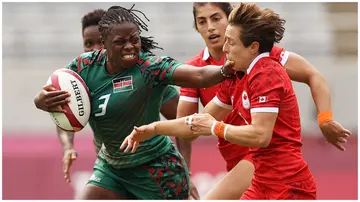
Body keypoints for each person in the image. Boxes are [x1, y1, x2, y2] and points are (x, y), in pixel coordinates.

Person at [120, 3, 350, 199]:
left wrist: (324, 119)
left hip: (280, 178)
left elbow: (260, 135)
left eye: (216, 18)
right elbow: (192, 125)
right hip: (258, 174)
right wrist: (152, 128)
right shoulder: (230, 74)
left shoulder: (267, 69)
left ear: (252, 46)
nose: (211, 28)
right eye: (202, 21)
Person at [33, 5, 235, 200]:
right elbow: (62, 109)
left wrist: (227, 69)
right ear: (105, 43)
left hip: (157, 170)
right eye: (121, 42)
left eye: (134, 40)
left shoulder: (150, 69)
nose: (130, 46)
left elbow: (198, 78)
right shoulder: (84, 67)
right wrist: (41, 102)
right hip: (112, 168)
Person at [49, 9, 183, 187]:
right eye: (89, 43)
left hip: (150, 171)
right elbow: (65, 116)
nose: (95, 49)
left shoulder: (144, 75)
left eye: (100, 43)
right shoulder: (82, 76)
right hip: (111, 169)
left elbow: (181, 121)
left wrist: (185, 167)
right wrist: (68, 147)